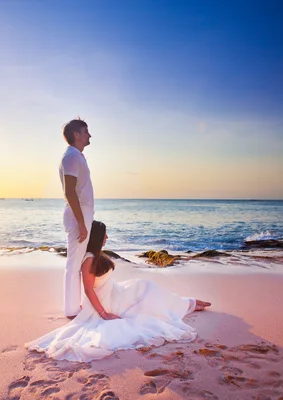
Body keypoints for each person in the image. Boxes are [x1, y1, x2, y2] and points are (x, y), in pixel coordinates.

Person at [25, 221, 212, 362]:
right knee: (147, 293)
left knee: (146, 287)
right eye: (105, 235)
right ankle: (189, 304)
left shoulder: (96, 256)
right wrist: (104, 313)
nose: (107, 238)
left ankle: (188, 303)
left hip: (117, 291)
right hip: (109, 302)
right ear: (98, 237)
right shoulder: (89, 259)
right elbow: (89, 290)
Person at [59, 118, 94, 319]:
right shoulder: (71, 157)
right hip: (76, 216)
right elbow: (69, 192)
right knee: (73, 263)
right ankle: (72, 309)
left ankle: (75, 306)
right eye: (86, 131)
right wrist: (81, 223)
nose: (89, 135)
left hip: (81, 214)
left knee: (77, 261)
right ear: (76, 135)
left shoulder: (77, 156)